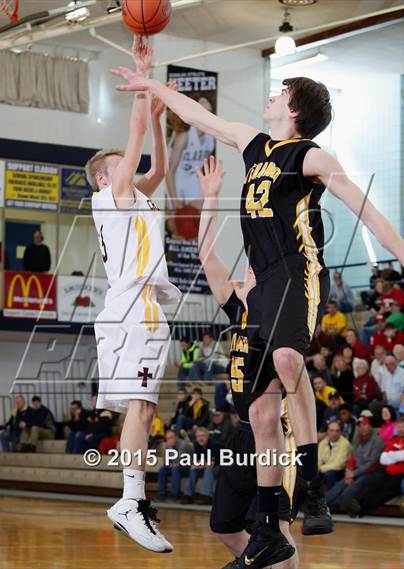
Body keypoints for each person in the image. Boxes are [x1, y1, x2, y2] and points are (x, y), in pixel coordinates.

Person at [111, 69, 403, 554]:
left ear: (294, 110)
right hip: (264, 279)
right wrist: (152, 84)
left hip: (298, 270)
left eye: (280, 92)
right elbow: (198, 115)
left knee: (290, 361)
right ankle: (268, 527)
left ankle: (310, 483)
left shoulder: (309, 155)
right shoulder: (254, 144)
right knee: (263, 410)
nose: (270, 95)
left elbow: (365, 208)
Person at [87, 37, 181, 553]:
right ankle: (129, 499)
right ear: (106, 174)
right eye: (123, 162)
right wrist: (144, 81)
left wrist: (163, 121)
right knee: (140, 407)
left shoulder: (133, 200)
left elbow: (160, 170)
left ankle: (130, 498)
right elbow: (136, 131)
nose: (133, 167)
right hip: (132, 308)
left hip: (139, 308)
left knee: (142, 410)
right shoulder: (110, 195)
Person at [197, 157, 300, 568]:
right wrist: (210, 197)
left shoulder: (284, 314)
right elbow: (206, 254)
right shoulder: (236, 307)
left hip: (273, 435)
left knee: (278, 529)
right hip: (238, 436)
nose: (248, 270)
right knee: (223, 524)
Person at [340, 415, 404, 517]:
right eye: (399, 427)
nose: (400, 429)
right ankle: (354, 504)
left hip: (399, 474)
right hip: (387, 470)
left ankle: (361, 510)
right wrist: (398, 457)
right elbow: (383, 458)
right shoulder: (395, 440)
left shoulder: (383, 440)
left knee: (385, 490)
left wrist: (392, 457)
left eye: (403, 427)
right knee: (372, 482)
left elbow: (392, 459)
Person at [166, 97, 215, 212]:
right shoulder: (184, 136)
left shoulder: (211, 137)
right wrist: (174, 199)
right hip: (175, 179)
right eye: (201, 102)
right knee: (178, 222)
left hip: (193, 178)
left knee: (198, 217)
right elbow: (169, 170)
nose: (205, 102)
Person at [326, 416, 384, 513]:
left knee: (350, 490)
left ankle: (329, 507)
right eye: (359, 425)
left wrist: (354, 474)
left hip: (371, 473)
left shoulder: (377, 441)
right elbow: (352, 458)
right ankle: (320, 505)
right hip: (356, 471)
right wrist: (349, 471)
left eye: (365, 424)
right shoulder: (357, 440)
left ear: (370, 426)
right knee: (339, 486)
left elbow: (372, 463)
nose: (362, 427)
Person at [181, 427, 219, 506]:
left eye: (203, 436)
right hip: (205, 467)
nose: (200, 438)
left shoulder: (214, 444)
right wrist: (196, 465)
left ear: (207, 436)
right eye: (198, 436)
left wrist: (200, 464)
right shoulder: (197, 445)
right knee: (193, 470)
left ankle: (206, 496)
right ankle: (188, 495)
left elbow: (211, 463)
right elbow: (197, 461)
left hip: (219, 468)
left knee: (208, 469)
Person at [157, 430, 192, 501]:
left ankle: (175, 494)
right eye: (167, 439)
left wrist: (170, 449)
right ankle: (161, 494)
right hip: (174, 466)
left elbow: (179, 460)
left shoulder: (184, 444)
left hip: (186, 467)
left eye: (171, 438)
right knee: (162, 469)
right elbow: (166, 462)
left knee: (174, 468)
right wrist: (169, 449)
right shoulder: (167, 446)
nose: (169, 440)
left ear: (176, 437)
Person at [318, 420, 352, 489]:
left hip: (339, 471)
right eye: (332, 430)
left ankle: (331, 496)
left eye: (337, 431)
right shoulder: (324, 442)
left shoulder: (345, 444)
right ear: (327, 431)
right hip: (325, 468)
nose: (334, 433)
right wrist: (317, 467)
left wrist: (320, 468)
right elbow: (318, 459)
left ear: (340, 432)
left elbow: (338, 465)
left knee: (329, 474)